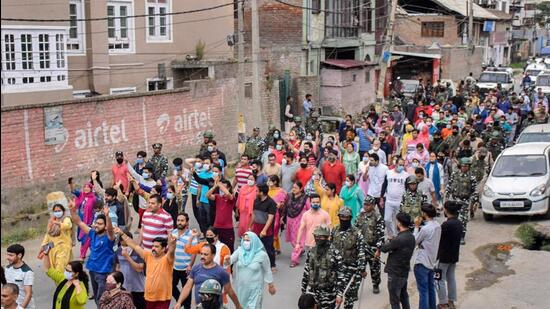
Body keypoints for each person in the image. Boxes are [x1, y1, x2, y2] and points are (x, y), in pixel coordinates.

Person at [115, 227, 177, 309]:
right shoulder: (148, 255)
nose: (153, 248)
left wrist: (172, 245)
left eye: (157, 247)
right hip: (149, 297)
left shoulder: (167, 259)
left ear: (163, 249)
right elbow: (134, 246)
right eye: (153, 246)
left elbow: (171, 252)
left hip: (162, 298)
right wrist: (122, 233)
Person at [69, 201, 115, 305]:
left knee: (102, 299)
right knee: (97, 298)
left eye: (100, 224)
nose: (96, 225)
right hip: (93, 271)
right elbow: (79, 222)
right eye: (96, 223)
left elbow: (111, 230)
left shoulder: (109, 237)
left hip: (104, 273)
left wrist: (107, 216)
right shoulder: (93, 233)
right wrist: (72, 210)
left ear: (106, 226)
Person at [174, 244, 242, 309]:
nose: (202, 256)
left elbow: (230, 291)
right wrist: (179, 302)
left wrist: (238, 305)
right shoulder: (195, 268)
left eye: (206, 254)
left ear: (213, 255)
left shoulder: (221, 272)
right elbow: (187, 287)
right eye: (201, 254)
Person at [225, 232, 276, 308]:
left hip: (255, 289)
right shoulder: (239, 251)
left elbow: (267, 270)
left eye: (248, 240)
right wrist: (227, 259)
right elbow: (230, 261)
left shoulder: (262, 255)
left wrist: (270, 285)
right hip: (242, 288)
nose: (246, 242)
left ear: (254, 241)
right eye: (244, 240)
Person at [378, 213, 416, 309]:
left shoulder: (399, 239)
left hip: (395, 273)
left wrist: (388, 241)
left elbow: (384, 248)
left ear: (399, 223)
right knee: (404, 296)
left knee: (394, 301)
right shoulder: (411, 237)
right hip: (404, 271)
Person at [332, 207, 366, 309]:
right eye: (342, 217)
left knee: (349, 298)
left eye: (347, 217)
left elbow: (361, 253)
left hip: (352, 270)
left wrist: (361, 269)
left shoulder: (357, 233)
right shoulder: (334, 230)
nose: (344, 219)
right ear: (339, 217)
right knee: (336, 296)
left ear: (350, 218)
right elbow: (330, 249)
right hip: (337, 270)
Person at [300, 225, 338, 309]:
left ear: (327, 237)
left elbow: (340, 273)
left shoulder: (334, 252)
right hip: (313, 291)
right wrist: (303, 290)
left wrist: (340, 294)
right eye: (316, 236)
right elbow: (307, 270)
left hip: (328, 293)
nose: (318, 238)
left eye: (321, 237)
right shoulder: (311, 251)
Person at [413, 204, 441, 309]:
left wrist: (416, 227)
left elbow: (414, 241)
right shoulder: (438, 226)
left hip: (422, 262)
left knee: (423, 292)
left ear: (424, 214)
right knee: (431, 289)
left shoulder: (425, 229)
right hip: (432, 261)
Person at [354, 196, 384, 294]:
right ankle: (355, 288)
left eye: (368, 205)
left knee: (375, 268)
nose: (366, 207)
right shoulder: (360, 216)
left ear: (373, 205)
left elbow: (381, 234)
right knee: (359, 268)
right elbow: (355, 229)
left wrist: (378, 250)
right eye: (365, 204)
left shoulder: (377, 217)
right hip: (361, 247)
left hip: (373, 247)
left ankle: (375, 284)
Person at [437, 201, 463, 309]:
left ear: (446, 210)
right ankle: (451, 301)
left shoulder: (446, 225)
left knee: (439, 279)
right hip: (454, 255)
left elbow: (438, 238)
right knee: (451, 278)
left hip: (443, 256)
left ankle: (443, 303)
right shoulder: (459, 223)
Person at [445, 158, 477, 244]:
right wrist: (447, 197)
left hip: (464, 201)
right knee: (451, 218)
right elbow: (449, 185)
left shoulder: (471, 177)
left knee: (463, 219)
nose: (464, 168)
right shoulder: (454, 174)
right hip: (454, 200)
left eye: (466, 166)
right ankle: (451, 235)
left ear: (469, 167)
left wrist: (473, 202)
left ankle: (462, 236)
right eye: (463, 166)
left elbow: (474, 191)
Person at [294, 194, 331, 266]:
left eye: (317, 202)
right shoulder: (306, 215)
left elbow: (330, 228)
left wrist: (330, 241)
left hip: (322, 244)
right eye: (314, 202)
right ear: (310, 202)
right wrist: (298, 243)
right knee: (310, 264)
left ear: (320, 202)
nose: (316, 204)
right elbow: (301, 229)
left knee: (322, 264)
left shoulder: (325, 214)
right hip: (309, 243)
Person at [114, 228, 146, 309]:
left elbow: (139, 268)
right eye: (122, 243)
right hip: (124, 288)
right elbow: (117, 268)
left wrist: (128, 257)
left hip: (138, 288)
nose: (125, 246)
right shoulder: (118, 251)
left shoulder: (138, 252)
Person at [171, 213, 197, 309]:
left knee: (187, 289)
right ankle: (180, 301)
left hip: (186, 268)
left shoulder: (191, 235)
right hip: (174, 267)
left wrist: (190, 265)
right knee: (171, 287)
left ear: (186, 222)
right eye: (178, 220)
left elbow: (194, 252)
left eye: (182, 220)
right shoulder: (173, 233)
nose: (180, 222)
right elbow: (170, 249)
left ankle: (186, 305)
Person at [250, 184, 278, 270]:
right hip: (256, 228)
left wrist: (264, 230)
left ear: (262, 192)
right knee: (254, 247)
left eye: (257, 191)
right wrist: (250, 226)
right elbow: (254, 215)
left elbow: (270, 218)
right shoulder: (256, 201)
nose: (255, 192)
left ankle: (272, 265)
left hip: (266, 229)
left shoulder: (271, 203)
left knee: (269, 248)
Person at [283, 181, 310, 266]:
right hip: (290, 220)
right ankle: (300, 250)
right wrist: (282, 218)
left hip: (300, 222)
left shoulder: (305, 198)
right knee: (292, 239)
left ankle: (294, 260)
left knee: (297, 240)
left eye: (296, 188)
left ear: (301, 189)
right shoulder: (289, 196)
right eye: (293, 187)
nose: (293, 189)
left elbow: (309, 210)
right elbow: (285, 207)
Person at [381, 158, 409, 239]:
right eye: (400, 165)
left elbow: (407, 188)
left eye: (403, 165)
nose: (401, 166)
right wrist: (381, 198)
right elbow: (384, 185)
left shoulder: (406, 175)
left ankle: (397, 235)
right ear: (396, 164)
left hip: (399, 202)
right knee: (387, 220)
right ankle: (390, 234)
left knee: (397, 221)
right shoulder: (388, 173)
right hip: (389, 201)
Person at [39, 204, 73, 272]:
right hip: (53, 249)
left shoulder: (66, 219)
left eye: (59, 210)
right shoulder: (51, 221)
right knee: (54, 268)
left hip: (63, 248)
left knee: (60, 268)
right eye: (55, 211)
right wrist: (42, 247)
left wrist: (57, 223)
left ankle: (63, 282)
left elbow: (67, 226)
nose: (57, 212)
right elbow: (48, 234)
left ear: (63, 211)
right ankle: (60, 282)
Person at [206, 178, 237, 252]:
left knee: (229, 249)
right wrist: (215, 186)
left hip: (227, 228)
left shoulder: (231, 198)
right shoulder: (217, 197)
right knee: (216, 248)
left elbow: (229, 195)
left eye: (224, 187)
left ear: (229, 188)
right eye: (220, 188)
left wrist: (220, 185)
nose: (221, 190)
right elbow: (207, 195)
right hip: (217, 227)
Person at [5, 244, 34, 309]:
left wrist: (20, 308)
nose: (8, 257)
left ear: (19, 255)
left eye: (11, 255)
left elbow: (28, 294)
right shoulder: (7, 268)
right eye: (7, 255)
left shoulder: (27, 272)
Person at [267, 175, 288, 255]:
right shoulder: (267, 190)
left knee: (275, 229)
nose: (268, 182)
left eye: (270, 180)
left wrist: (281, 204)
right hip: (267, 213)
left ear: (275, 182)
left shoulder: (281, 191)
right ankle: (275, 248)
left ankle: (274, 248)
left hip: (276, 214)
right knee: (269, 230)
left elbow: (283, 203)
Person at [236, 173, 257, 237]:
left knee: (249, 226)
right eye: (248, 179)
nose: (250, 180)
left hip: (251, 212)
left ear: (255, 180)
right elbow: (238, 199)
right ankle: (243, 238)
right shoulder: (243, 188)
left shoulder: (256, 189)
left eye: (251, 179)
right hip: (243, 211)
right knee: (242, 225)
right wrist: (237, 210)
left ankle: (249, 238)